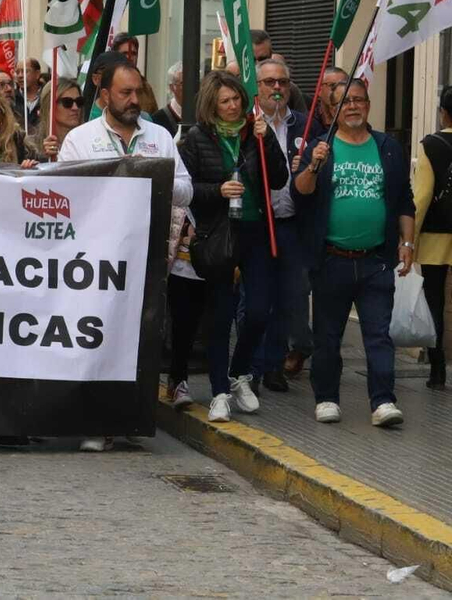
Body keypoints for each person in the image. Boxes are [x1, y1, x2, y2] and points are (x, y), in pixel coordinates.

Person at [55, 62, 194, 452]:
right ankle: (95, 424)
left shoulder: (161, 136)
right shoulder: (80, 139)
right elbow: (66, 194)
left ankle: (130, 417)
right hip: (94, 260)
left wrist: (150, 173)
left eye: (138, 92)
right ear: (104, 97)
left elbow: (186, 190)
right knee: (97, 339)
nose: (134, 100)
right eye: (124, 93)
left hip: (147, 258)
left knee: (141, 340)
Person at [294, 80, 414, 428]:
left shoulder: (388, 147)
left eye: (359, 100)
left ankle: (383, 401)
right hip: (332, 259)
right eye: (344, 102)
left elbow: (404, 198)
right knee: (328, 336)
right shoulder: (322, 146)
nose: (352, 107)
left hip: (376, 259)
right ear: (332, 110)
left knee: (379, 334)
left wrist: (406, 243)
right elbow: (300, 192)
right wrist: (314, 166)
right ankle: (327, 398)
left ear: (368, 105)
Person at [176, 71, 287, 425]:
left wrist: (267, 140)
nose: (233, 106)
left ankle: (241, 373)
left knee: (258, 312)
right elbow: (187, 187)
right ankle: (219, 391)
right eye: (224, 101)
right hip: (220, 232)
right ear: (211, 105)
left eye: (236, 98)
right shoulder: (196, 138)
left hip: (256, 229)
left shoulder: (255, 131)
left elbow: (280, 178)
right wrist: (218, 190)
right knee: (220, 314)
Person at [248, 58, 306, 393]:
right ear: (257, 87)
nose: (277, 88)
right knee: (255, 302)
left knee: (288, 298)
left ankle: (273, 367)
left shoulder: (302, 124)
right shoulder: (248, 123)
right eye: (270, 82)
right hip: (258, 223)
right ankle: (250, 367)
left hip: (291, 223)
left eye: (282, 82)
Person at [412, 86, 452, 390]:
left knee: (435, 302)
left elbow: (422, 196)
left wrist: (408, 240)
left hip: (436, 236)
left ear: (443, 113)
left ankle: (437, 371)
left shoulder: (431, 144)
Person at [27, 80, 84, 162]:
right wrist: (43, 158)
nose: (75, 108)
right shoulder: (30, 146)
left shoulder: (89, 140)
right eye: (67, 102)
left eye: (79, 102)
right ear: (49, 105)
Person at [153, 63, 185, 137]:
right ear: (172, 87)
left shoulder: (201, 116)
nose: (189, 87)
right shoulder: (157, 119)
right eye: (182, 83)